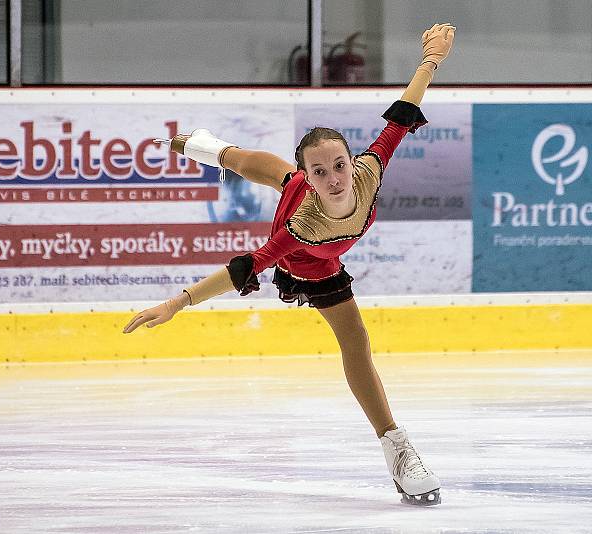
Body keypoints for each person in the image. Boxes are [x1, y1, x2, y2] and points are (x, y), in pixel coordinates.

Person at [123, 23, 455, 506]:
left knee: (277, 173)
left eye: (338, 164)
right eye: (320, 171)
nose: (334, 177)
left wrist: (432, 59)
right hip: (310, 263)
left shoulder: (367, 170)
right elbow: (248, 266)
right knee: (356, 338)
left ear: (351, 159)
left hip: (307, 206)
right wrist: (177, 303)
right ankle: (398, 448)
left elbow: (403, 114)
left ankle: (397, 454)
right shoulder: (302, 226)